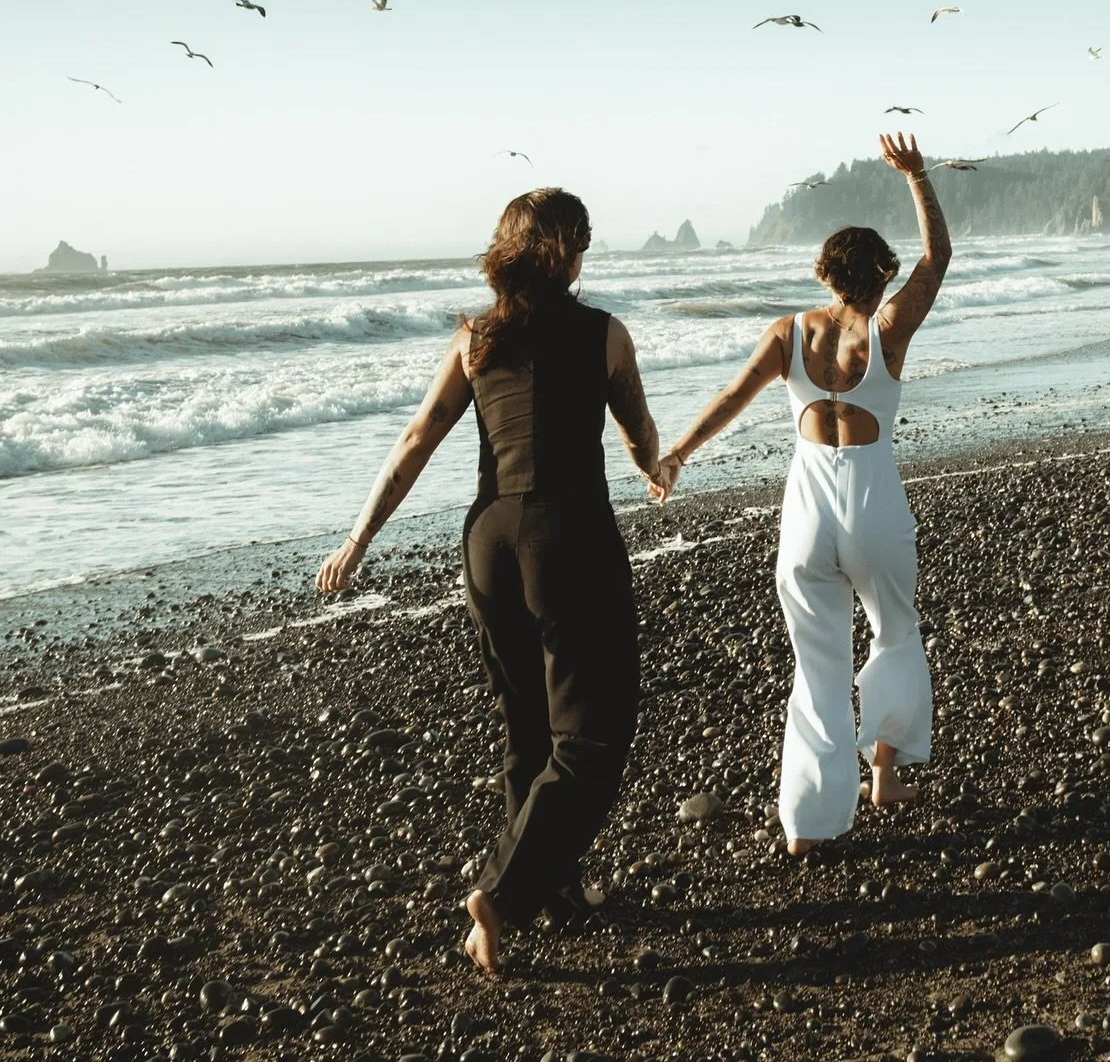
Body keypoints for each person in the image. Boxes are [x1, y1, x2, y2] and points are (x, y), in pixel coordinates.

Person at [316, 187, 669, 972]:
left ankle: (552, 888)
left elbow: (418, 437)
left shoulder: (475, 339)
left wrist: (358, 537)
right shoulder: (606, 334)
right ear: (571, 251)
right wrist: (657, 465)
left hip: (488, 542)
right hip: (567, 538)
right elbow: (637, 430)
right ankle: (502, 894)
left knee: (529, 733)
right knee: (593, 735)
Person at [658, 132, 950, 853]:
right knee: (894, 632)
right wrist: (917, 178)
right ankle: (882, 774)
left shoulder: (789, 333)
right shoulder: (886, 328)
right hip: (874, 501)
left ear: (825, 276)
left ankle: (809, 826)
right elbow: (937, 259)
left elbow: (732, 396)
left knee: (817, 662)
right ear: (879, 278)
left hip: (809, 509)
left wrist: (676, 455)